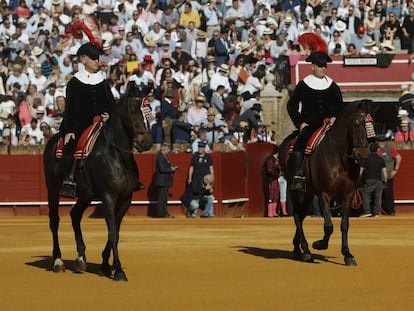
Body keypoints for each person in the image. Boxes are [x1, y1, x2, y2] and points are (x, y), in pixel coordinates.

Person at [60, 42, 143, 198]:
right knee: (71, 145)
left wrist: (108, 115)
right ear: (83, 59)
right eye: (93, 58)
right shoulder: (75, 81)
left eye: (97, 58)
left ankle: (133, 178)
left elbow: (111, 105)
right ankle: (69, 180)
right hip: (80, 125)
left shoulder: (102, 80)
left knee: (122, 143)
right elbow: (70, 108)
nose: (97, 61)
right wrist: (69, 130)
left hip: (102, 124)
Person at [287, 50, 344, 191]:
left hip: (329, 124)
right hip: (311, 124)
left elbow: (340, 106)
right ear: (312, 67)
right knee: (299, 144)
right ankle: (298, 176)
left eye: (325, 65)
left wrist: (335, 117)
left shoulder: (332, 85)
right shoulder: (304, 84)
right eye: (320, 65)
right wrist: (300, 122)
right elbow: (291, 105)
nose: (323, 68)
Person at [184, 141, 215, 218]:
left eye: (201, 147)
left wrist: (212, 179)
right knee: (196, 195)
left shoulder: (208, 157)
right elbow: (192, 167)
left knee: (208, 195)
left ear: (204, 148)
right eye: (199, 147)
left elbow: (211, 168)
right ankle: (193, 213)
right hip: (196, 179)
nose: (200, 149)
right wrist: (190, 178)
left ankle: (208, 213)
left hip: (206, 179)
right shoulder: (195, 156)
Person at [359, 142, 387, 217]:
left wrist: (358, 179)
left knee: (365, 193)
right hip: (378, 180)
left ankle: (367, 210)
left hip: (369, 180)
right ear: (377, 150)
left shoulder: (366, 159)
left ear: (369, 150)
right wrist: (385, 181)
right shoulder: (381, 159)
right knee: (377, 196)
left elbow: (361, 171)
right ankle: (376, 212)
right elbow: (384, 172)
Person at [376, 135, 402, 215]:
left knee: (388, 193)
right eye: (380, 141)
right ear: (377, 142)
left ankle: (390, 210)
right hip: (376, 176)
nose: (382, 143)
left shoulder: (389, 149)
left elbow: (399, 157)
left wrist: (395, 170)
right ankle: (376, 211)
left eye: (383, 141)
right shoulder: (374, 149)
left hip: (388, 175)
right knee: (376, 193)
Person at [154, 143, 179, 218]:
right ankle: (161, 214)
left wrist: (171, 167)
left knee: (164, 198)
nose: (168, 150)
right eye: (167, 149)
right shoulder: (160, 157)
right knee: (162, 199)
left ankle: (164, 213)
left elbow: (164, 167)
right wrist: (171, 169)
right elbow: (162, 169)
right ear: (163, 150)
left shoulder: (164, 157)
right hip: (162, 181)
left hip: (165, 181)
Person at [262, 145, 287, 217]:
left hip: (275, 179)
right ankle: (270, 212)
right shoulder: (270, 159)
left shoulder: (275, 160)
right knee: (271, 195)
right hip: (271, 180)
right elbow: (269, 170)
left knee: (275, 195)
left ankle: (273, 212)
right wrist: (277, 174)